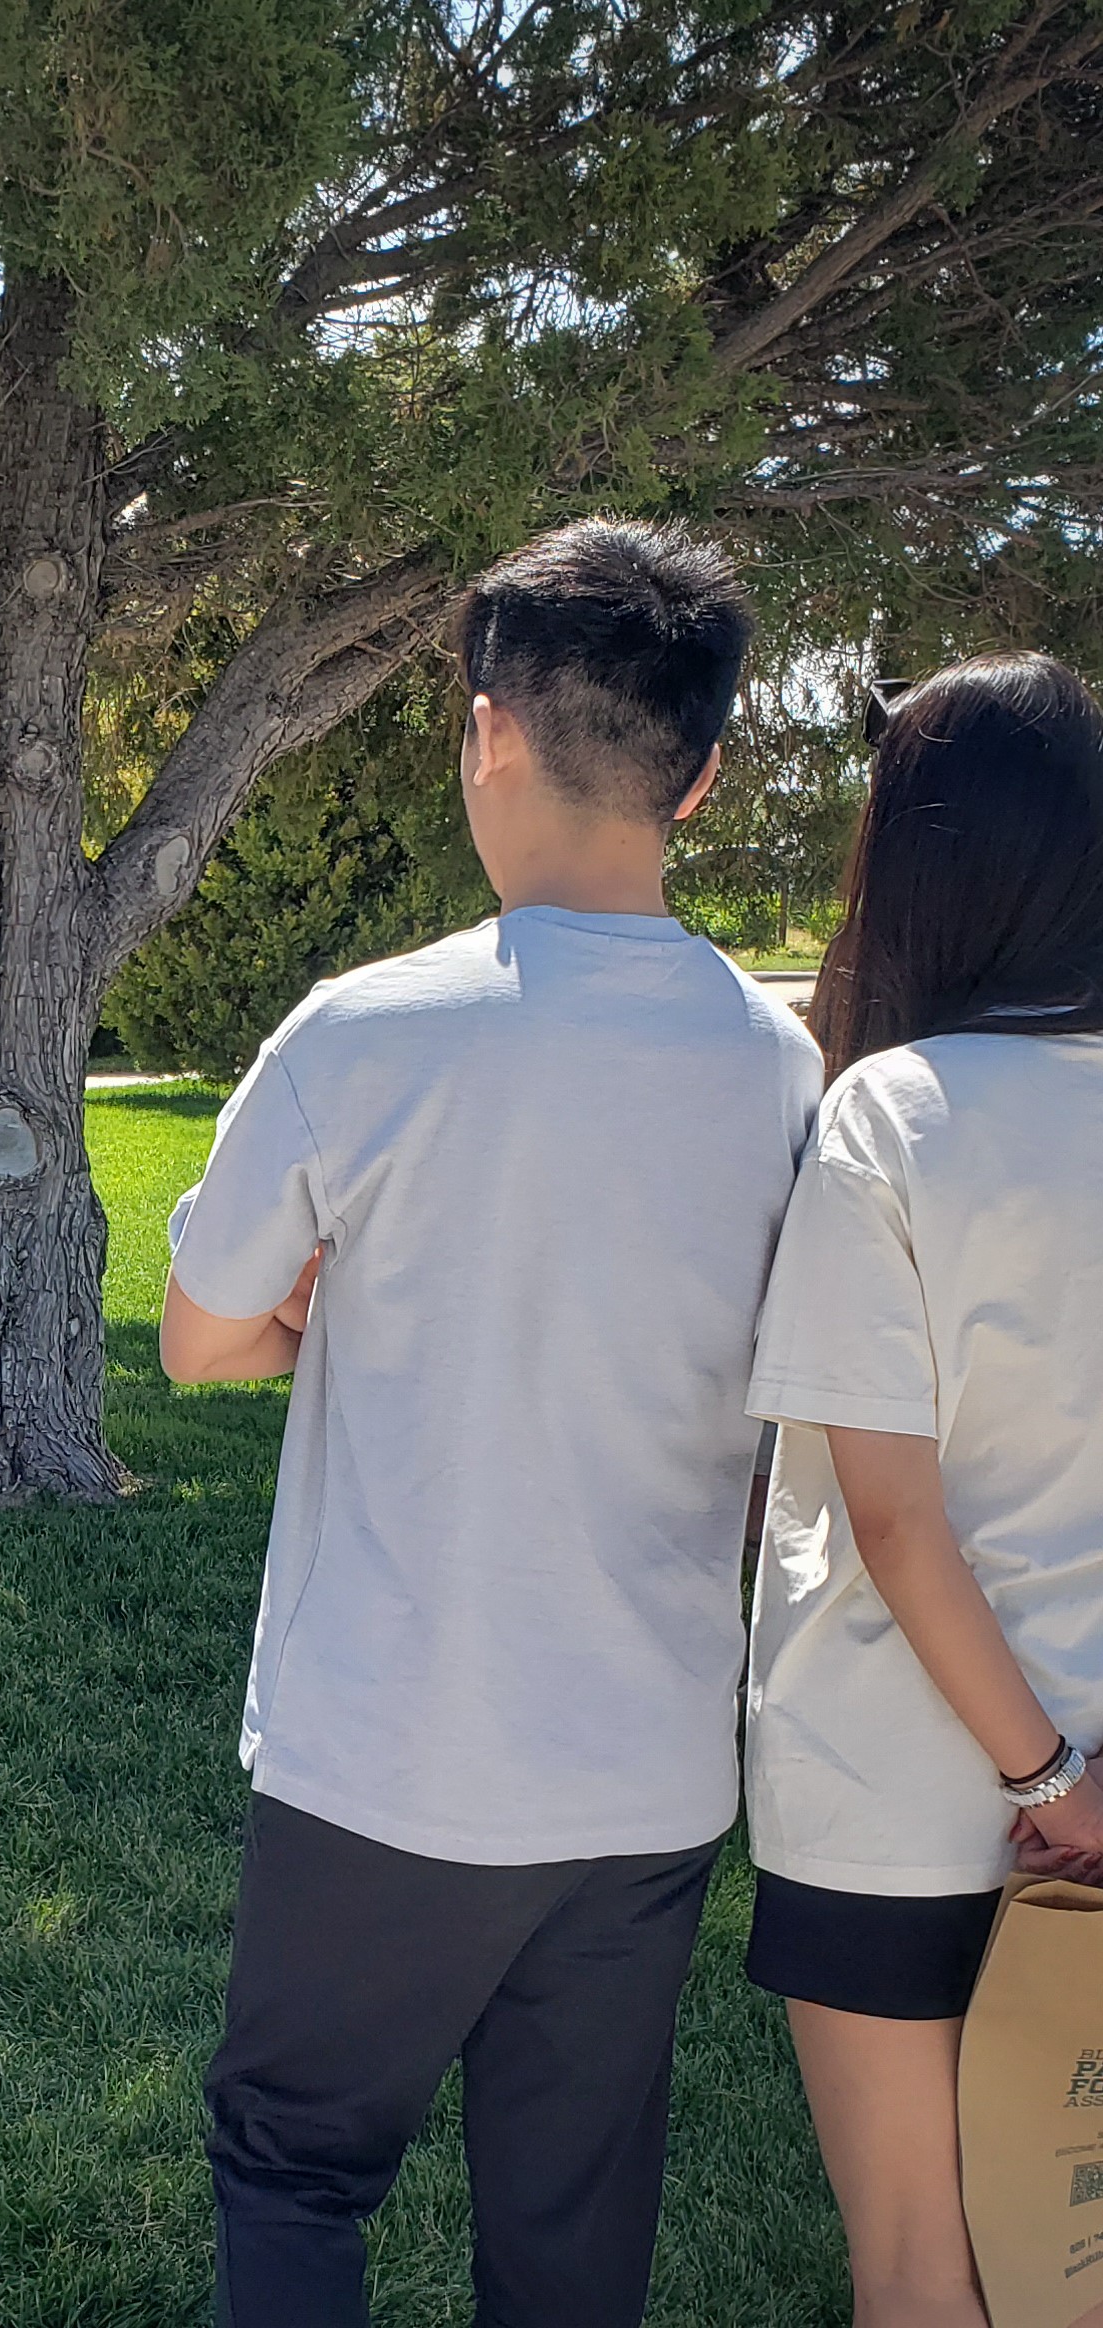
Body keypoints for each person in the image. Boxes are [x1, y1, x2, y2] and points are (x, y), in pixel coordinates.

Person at [161, 521, 825, 2328]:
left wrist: (334, 1313)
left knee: (294, 2164)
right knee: (570, 2210)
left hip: (391, 1743)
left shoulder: (361, 1032)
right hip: (647, 1765)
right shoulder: (775, 1064)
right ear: (695, 773)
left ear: (482, 734)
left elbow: (198, 1335)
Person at [741, 654, 1103, 2328]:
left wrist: (1039, 1765)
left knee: (922, 2270)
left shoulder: (888, 1110)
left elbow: (889, 1518)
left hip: (890, 1797)